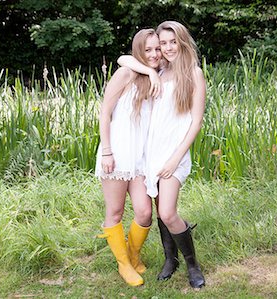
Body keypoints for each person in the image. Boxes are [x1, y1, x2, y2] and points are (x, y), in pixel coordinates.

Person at [117, 20, 206, 288]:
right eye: (163, 43)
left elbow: (196, 123)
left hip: (174, 154)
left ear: (182, 41)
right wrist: (151, 72)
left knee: (167, 212)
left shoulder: (193, 73)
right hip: (150, 153)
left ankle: (192, 264)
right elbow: (124, 59)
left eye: (171, 42)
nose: (167, 48)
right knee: (158, 211)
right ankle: (171, 259)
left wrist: (175, 158)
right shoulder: (158, 70)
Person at [95, 29, 162, 287]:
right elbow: (105, 113)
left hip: (140, 157)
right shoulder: (125, 73)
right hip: (118, 152)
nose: (154, 54)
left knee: (145, 212)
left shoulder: (154, 76)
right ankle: (123, 264)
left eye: (157, 49)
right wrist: (108, 151)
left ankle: (133, 255)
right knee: (115, 211)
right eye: (148, 50)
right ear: (138, 51)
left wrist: (152, 71)